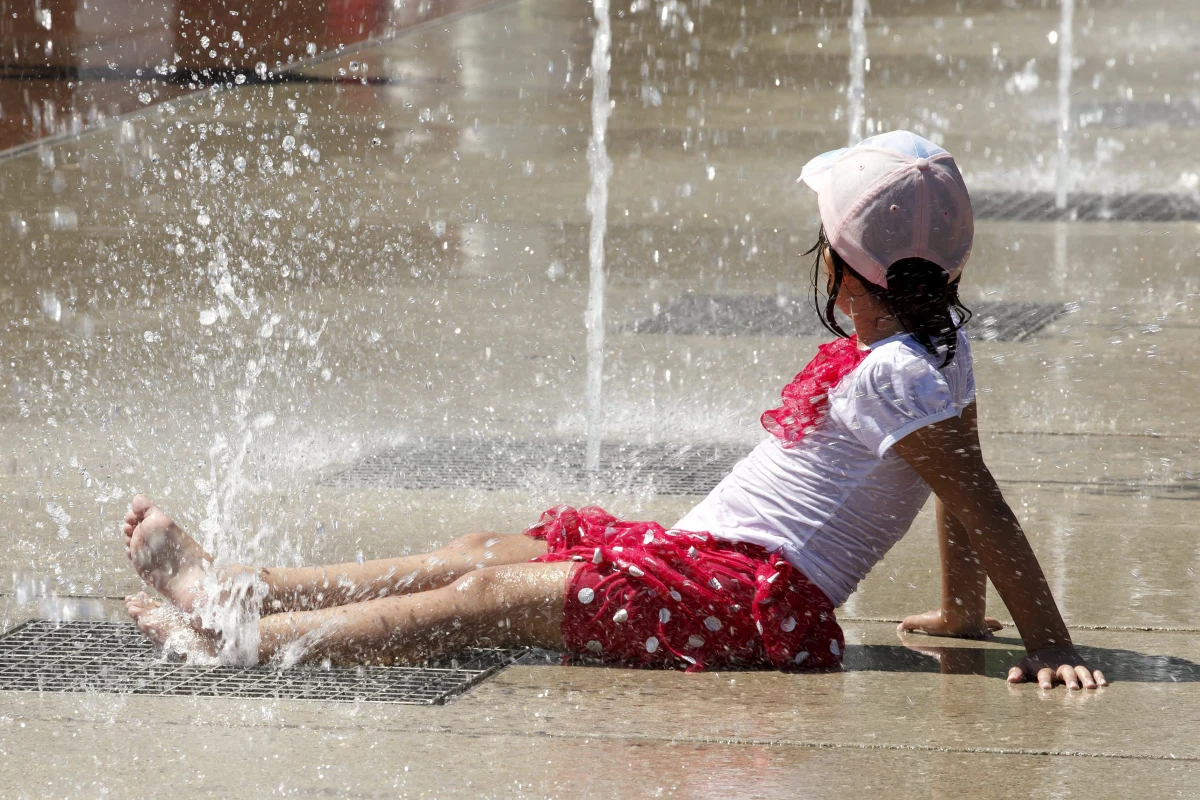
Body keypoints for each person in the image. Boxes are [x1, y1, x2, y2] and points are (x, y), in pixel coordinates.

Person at [122, 130, 1105, 690]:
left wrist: (1050, 643)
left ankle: (240, 637)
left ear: (852, 273)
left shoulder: (899, 373)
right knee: (485, 547)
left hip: (740, 596)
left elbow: (980, 500)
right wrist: (969, 612)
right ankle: (240, 586)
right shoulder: (930, 351)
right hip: (709, 563)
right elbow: (962, 487)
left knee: (485, 601)